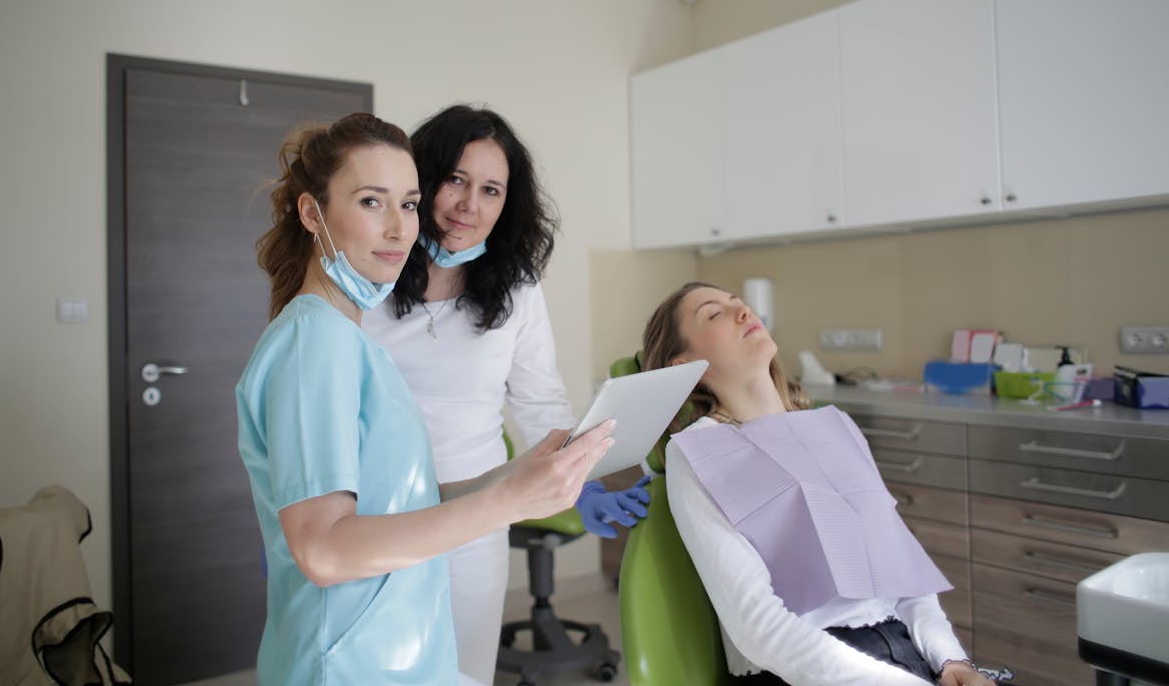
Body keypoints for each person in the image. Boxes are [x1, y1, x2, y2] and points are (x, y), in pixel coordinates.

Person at [235, 112, 614, 685]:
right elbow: (326, 550)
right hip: (351, 630)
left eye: (406, 204)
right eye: (370, 202)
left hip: (401, 600)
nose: (398, 228)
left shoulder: (349, 337)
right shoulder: (320, 338)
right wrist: (507, 501)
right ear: (313, 213)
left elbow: (408, 495)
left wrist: (533, 477)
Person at [361, 104, 649, 683]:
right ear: (421, 180)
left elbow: (541, 404)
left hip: (476, 516)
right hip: (375, 516)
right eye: (456, 180)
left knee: (464, 671)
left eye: (491, 189)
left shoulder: (515, 289)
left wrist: (583, 481)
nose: (471, 204)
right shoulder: (366, 276)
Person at [641, 282, 997, 686]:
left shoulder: (835, 428)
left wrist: (952, 662)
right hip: (803, 669)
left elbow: (905, 580)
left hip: (906, 653)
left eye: (739, 303)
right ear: (683, 364)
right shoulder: (700, 454)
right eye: (714, 313)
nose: (744, 312)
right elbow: (760, 630)